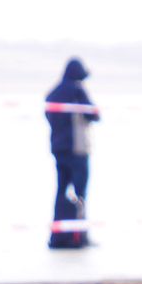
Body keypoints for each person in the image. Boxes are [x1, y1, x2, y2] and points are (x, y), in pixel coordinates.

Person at [45, 58, 99, 250]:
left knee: (60, 192)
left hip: (58, 149)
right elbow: (95, 114)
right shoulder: (77, 90)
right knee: (80, 194)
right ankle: (79, 237)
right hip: (78, 149)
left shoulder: (52, 94)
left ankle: (57, 236)